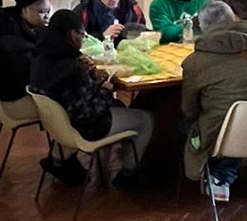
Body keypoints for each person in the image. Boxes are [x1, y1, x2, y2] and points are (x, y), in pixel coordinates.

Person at [29, 9, 154, 176]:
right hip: (87, 127)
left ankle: (103, 166)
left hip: (61, 126)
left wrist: (92, 78)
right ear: (73, 35)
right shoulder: (71, 69)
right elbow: (87, 112)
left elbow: (74, 95)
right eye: (83, 35)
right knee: (146, 120)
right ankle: (128, 174)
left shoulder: (41, 58)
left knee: (121, 106)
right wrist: (105, 89)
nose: (83, 39)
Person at [180, 0, 247, 187]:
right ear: (234, 18)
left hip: (223, 132)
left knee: (185, 122)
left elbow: (189, 109)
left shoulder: (194, 61)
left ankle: (215, 172)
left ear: (203, 28)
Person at [0, 0, 50, 100]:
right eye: (41, 11)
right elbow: (29, 75)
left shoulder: (32, 30)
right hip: (16, 96)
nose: (46, 16)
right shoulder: (10, 37)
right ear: (24, 10)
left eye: (48, 11)